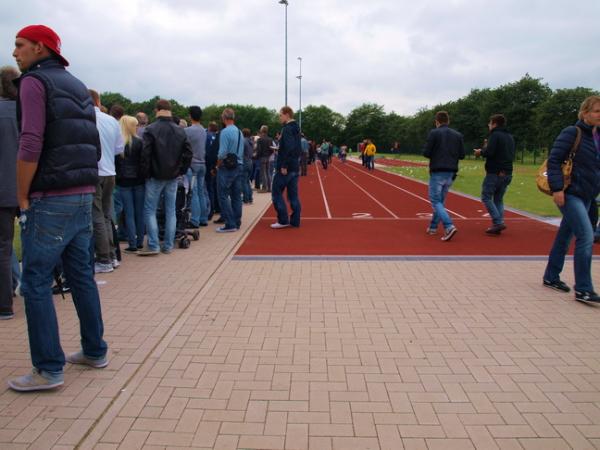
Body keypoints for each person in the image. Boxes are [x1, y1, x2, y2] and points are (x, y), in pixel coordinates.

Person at [10, 24, 108, 391]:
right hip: (82, 191)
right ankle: (95, 349)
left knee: (35, 281)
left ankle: (49, 368)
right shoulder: (77, 85)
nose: (15, 52)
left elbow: (31, 139)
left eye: (20, 45)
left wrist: (22, 193)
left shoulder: (35, 83)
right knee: (81, 274)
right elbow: (92, 142)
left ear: (39, 47)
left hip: (51, 196)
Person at [543, 95, 600, 304]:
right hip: (571, 193)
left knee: (565, 236)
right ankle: (584, 288)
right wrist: (557, 189)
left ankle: (551, 276)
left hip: (589, 195)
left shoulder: (598, 137)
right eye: (597, 111)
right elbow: (554, 160)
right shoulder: (572, 133)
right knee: (585, 235)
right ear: (585, 113)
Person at [138, 99, 192, 255]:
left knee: (150, 210)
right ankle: (168, 245)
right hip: (173, 175)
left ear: (157, 110)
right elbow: (188, 153)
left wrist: (145, 173)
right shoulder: (180, 130)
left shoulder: (150, 129)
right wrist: (181, 170)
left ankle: (154, 244)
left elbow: (145, 154)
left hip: (155, 175)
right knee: (171, 211)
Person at [89, 90, 124, 273]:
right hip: (110, 170)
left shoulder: (86, 118)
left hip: (96, 171)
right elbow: (119, 148)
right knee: (106, 215)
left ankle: (104, 259)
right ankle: (111, 255)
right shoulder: (111, 120)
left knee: (97, 217)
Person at [423, 111, 465, 242]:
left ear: (437, 121)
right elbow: (462, 155)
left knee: (435, 201)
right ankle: (433, 227)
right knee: (440, 201)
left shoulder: (434, 133)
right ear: (448, 121)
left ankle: (448, 226)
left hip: (438, 171)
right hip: (451, 172)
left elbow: (427, 152)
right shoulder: (458, 135)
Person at [0, 65, 20, 320]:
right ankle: (19, 283)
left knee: (3, 246)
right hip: (26, 187)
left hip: (5, 189)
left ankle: (4, 303)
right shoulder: (27, 111)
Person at [474, 114, 515, 235]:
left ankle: (498, 222)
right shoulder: (509, 136)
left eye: (490, 123)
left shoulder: (495, 135)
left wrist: (481, 151)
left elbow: (490, 152)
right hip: (508, 172)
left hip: (495, 172)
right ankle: (498, 223)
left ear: (495, 124)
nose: (488, 125)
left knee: (486, 196)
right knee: (499, 199)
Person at [116, 115, 145, 252]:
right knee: (140, 212)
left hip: (124, 180)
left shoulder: (120, 143)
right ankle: (139, 241)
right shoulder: (140, 142)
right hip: (139, 180)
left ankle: (132, 243)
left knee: (129, 213)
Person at [271, 106, 302, 229]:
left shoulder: (287, 129)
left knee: (276, 193)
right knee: (293, 195)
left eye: (280, 115)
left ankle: (283, 220)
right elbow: (296, 148)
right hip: (294, 166)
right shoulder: (296, 129)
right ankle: (295, 221)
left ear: (287, 114)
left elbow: (289, 148)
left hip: (286, 167)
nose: (279, 117)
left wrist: (284, 165)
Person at [215, 108, 244, 232]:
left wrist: (217, 165)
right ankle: (236, 222)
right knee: (236, 195)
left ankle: (230, 223)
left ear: (224, 118)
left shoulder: (225, 132)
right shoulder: (239, 132)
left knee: (222, 195)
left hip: (227, 167)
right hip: (239, 164)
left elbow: (222, 153)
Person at [185, 106, 208, 228]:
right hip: (202, 163)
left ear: (190, 116)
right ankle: (203, 217)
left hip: (192, 165)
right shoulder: (203, 131)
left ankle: (195, 219)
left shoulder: (188, 131)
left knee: (193, 193)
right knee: (201, 191)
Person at [256, 125, 274, 192]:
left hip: (262, 157)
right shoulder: (270, 139)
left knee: (263, 173)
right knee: (268, 172)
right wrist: (268, 155)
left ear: (261, 130)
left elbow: (259, 150)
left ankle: (264, 188)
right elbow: (272, 149)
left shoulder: (260, 139)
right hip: (268, 157)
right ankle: (269, 188)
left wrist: (257, 156)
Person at [242, 128, 254, 204]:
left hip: (245, 162)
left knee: (244, 181)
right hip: (250, 161)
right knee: (248, 181)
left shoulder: (243, 141)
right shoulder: (251, 141)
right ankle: (250, 197)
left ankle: (246, 198)